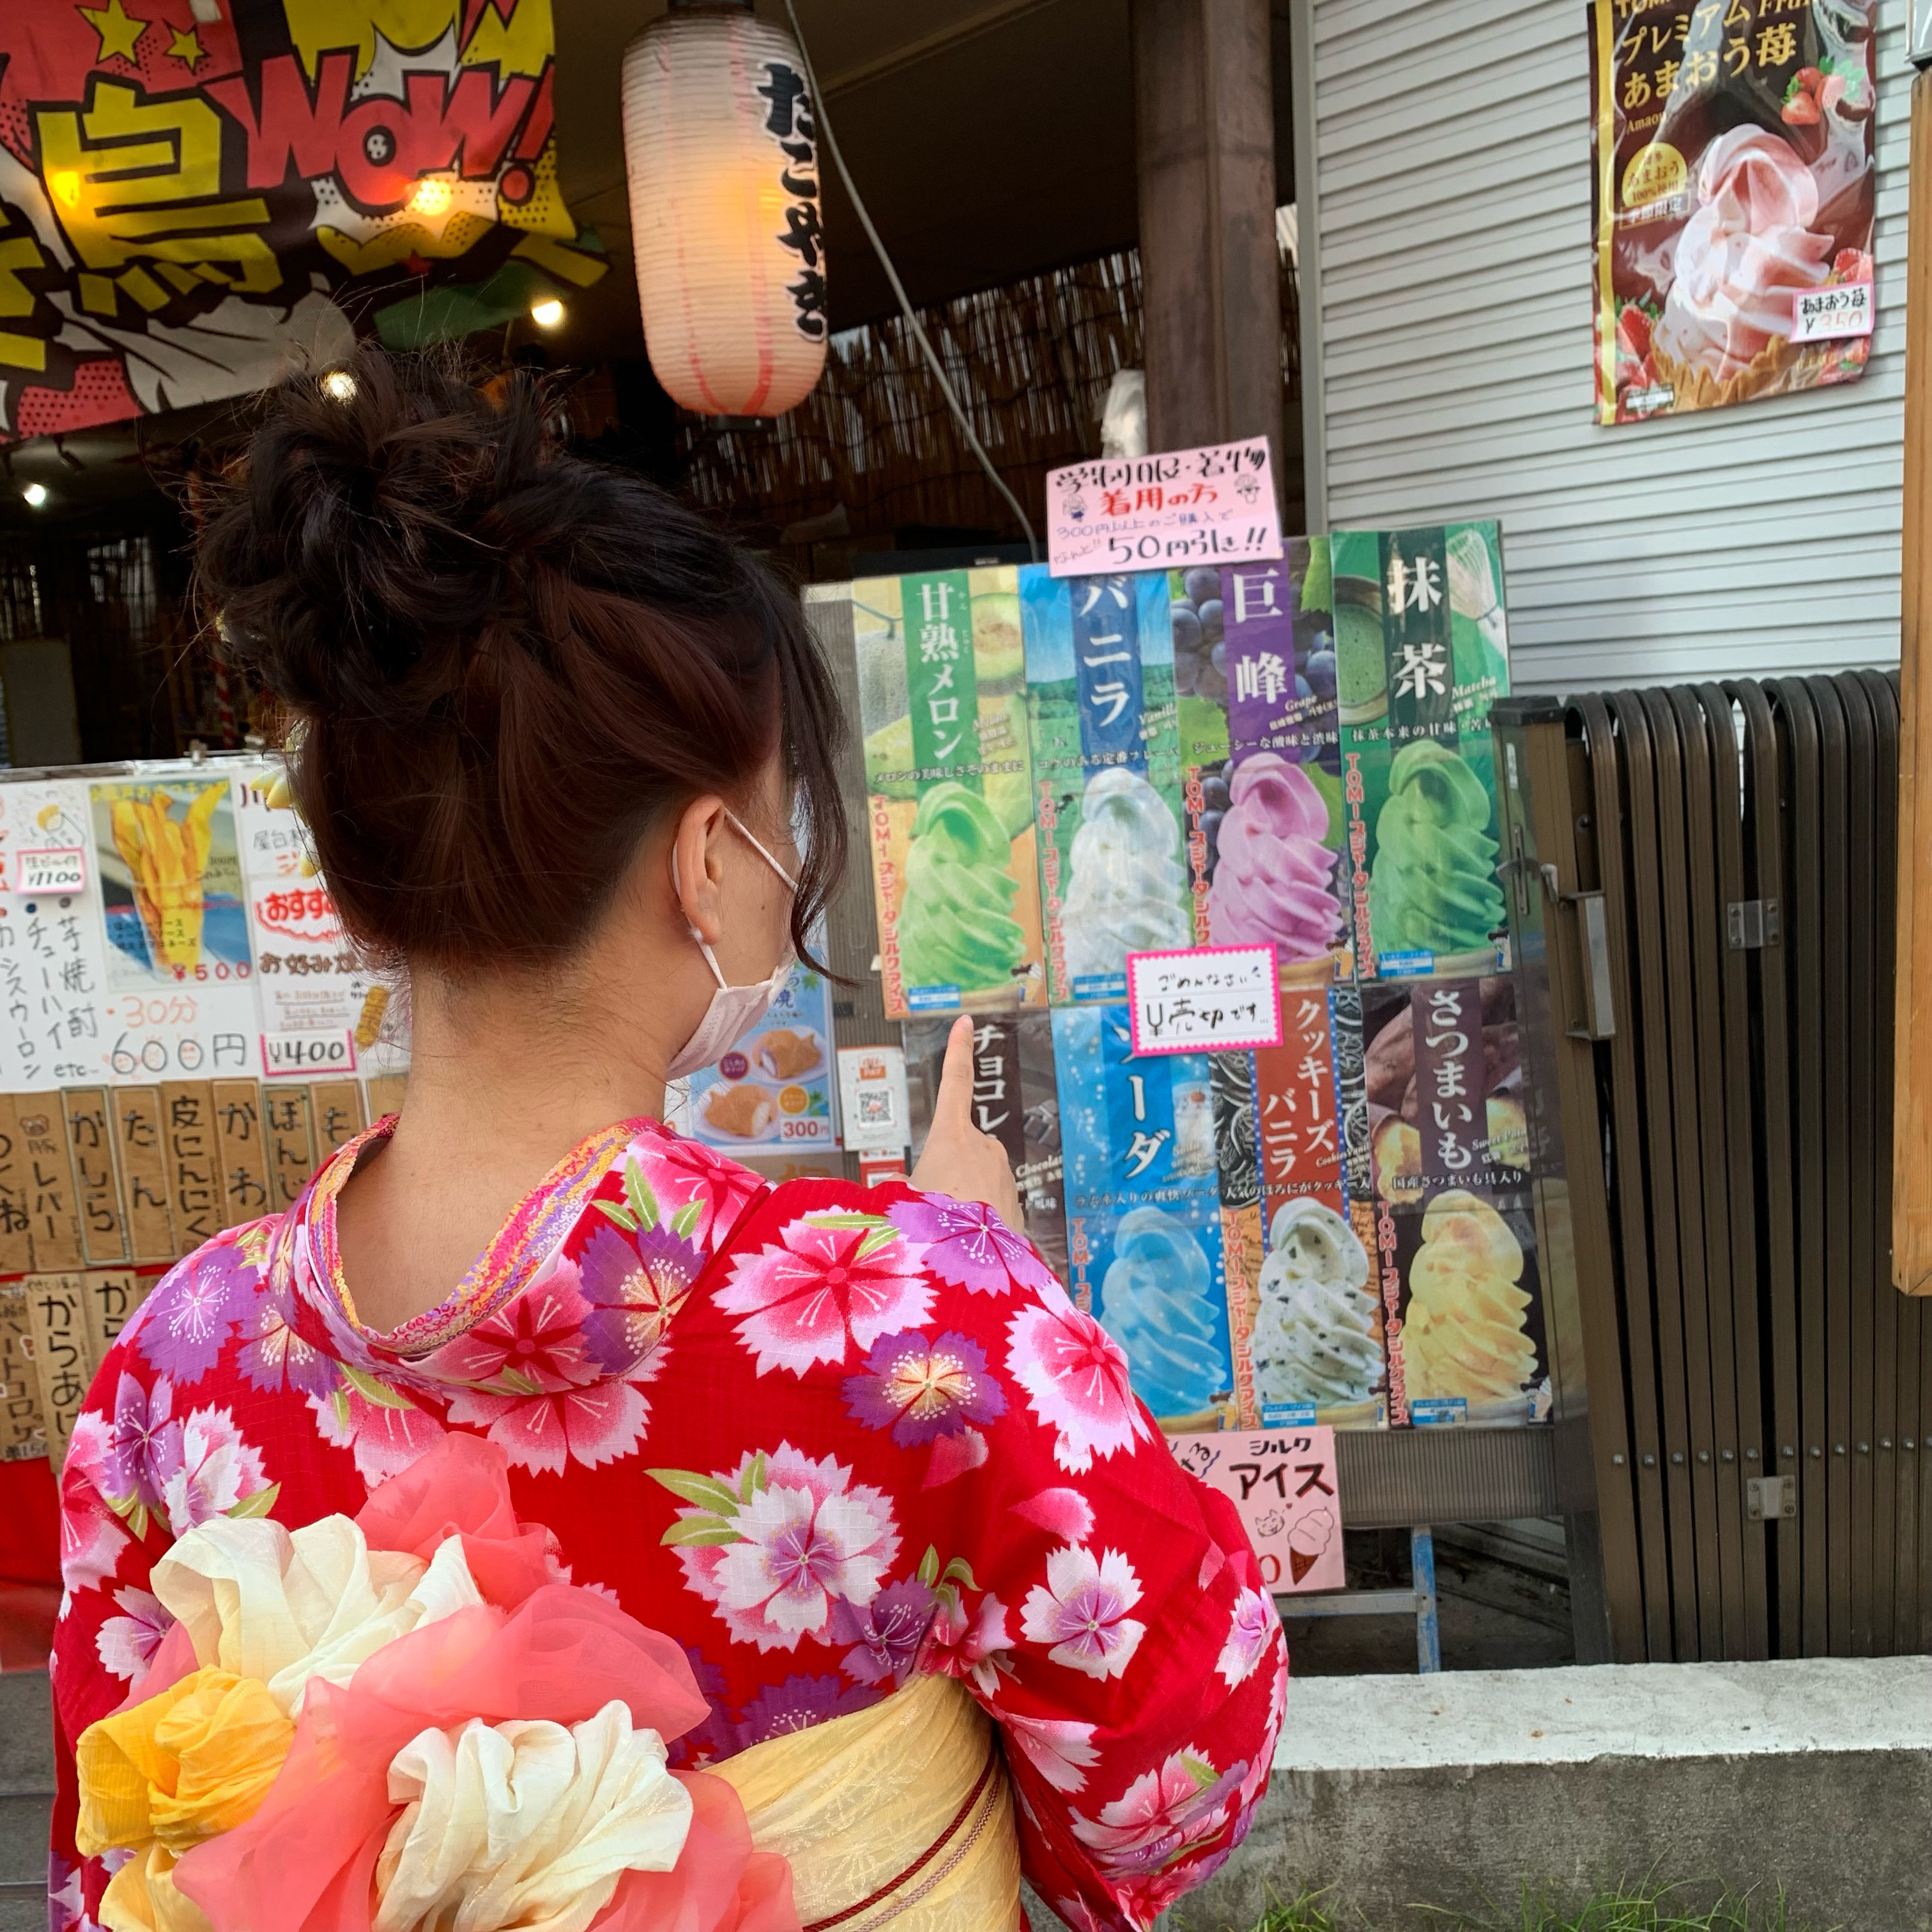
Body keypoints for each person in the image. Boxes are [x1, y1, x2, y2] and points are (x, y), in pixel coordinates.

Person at [48, 349, 1285, 1932]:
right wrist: (993, 1272)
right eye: (782, 830)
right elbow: (1172, 1778)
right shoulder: (921, 1323)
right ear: (708, 861)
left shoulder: (173, 1370)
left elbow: (115, 1859)